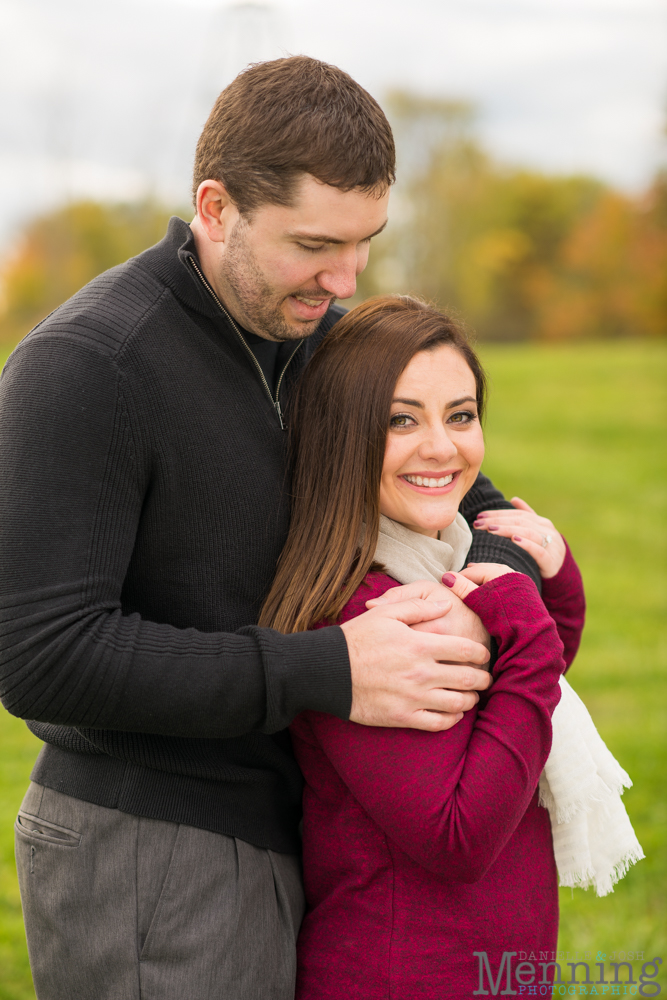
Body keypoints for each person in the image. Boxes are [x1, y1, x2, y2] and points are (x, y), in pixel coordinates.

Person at [0, 59, 539, 1000]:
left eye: (365, 242)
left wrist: (481, 579)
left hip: (296, 824)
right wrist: (329, 669)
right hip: (155, 851)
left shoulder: (314, 336)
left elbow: (455, 484)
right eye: (314, 245)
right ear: (216, 207)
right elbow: (42, 654)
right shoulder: (90, 367)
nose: (343, 278)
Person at [260, 295, 636, 998]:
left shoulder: (438, 563)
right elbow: (457, 836)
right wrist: (521, 620)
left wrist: (553, 586)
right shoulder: (367, 613)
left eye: (460, 415)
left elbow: (525, 704)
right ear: (344, 435)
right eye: (401, 420)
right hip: (400, 973)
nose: (442, 446)